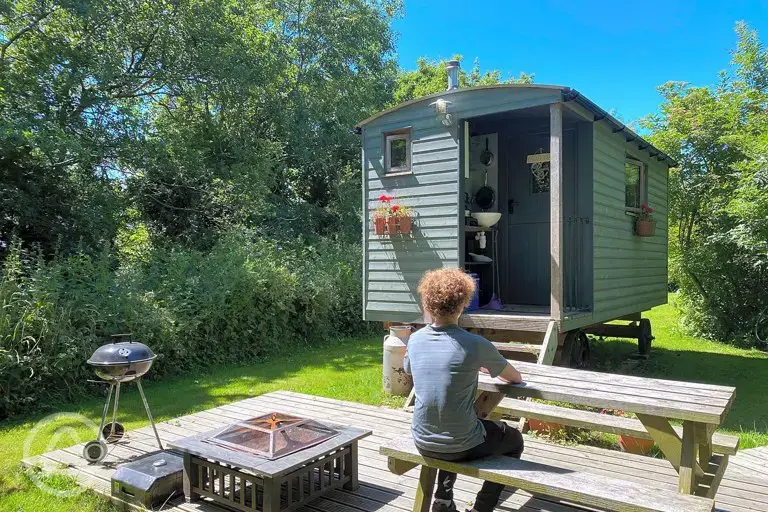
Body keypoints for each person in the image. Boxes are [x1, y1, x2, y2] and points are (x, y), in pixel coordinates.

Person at [404, 268, 524, 512]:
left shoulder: (415, 340)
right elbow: (514, 377)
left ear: (428, 303)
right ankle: (482, 508)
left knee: (458, 423)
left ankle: (443, 499)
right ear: (463, 303)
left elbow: (409, 368)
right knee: (514, 440)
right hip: (461, 444)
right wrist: (476, 362)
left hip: (422, 440)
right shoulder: (475, 344)